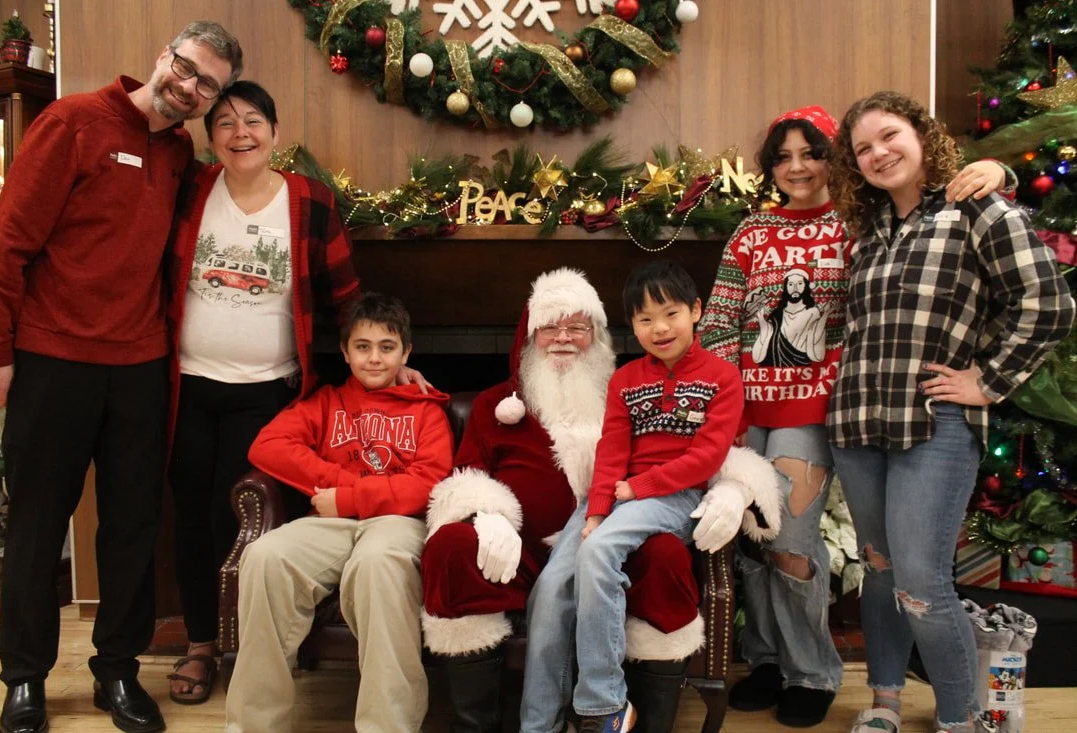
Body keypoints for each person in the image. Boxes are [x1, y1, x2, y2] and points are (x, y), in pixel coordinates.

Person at [697, 105, 1015, 728]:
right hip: (741, 412)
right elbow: (717, 320)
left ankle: (811, 669)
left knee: (789, 541)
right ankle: (764, 659)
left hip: (815, 412)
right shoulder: (750, 232)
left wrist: (995, 170)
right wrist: (722, 408)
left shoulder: (859, 224)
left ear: (833, 159)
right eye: (783, 157)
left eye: (810, 153)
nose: (796, 168)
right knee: (748, 544)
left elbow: (916, 244)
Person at [0, 21, 241, 733]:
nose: (188, 85)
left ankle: (116, 672)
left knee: (131, 526)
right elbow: (5, 246)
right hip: (52, 363)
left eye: (206, 83)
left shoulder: (180, 151)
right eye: (185, 67)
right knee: (36, 524)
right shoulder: (72, 122)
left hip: (140, 370)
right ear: (164, 56)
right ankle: (25, 680)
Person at [420, 267, 778, 733]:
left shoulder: (692, 378)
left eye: (577, 326)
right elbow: (612, 450)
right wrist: (488, 510)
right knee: (550, 589)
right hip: (582, 519)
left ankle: (603, 703)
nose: (563, 338)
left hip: (648, 505)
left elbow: (714, 451)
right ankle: (539, 724)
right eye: (550, 326)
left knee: (607, 551)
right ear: (528, 335)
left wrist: (734, 486)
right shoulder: (608, 384)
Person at [826, 90, 1074, 733]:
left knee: (920, 580)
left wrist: (988, 382)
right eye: (863, 148)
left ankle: (962, 718)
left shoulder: (976, 209)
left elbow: (1048, 304)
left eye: (889, 136)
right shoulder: (867, 230)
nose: (878, 153)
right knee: (878, 571)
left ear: (920, 135)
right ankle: (883, 702)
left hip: (932, 426)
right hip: (856, 426)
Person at [164, 79, 362, 705]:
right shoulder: (191, 190)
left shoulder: (310, 203)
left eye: (253, 120)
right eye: (224, 122)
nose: (240, 133)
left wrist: (384, 363)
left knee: (247, 523)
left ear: (275, 133)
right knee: (191, 519)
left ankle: (250, 650)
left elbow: (347, 300)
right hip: (186, 387)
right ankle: (200, 646)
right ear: (210, 138)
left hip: (268, 395)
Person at [225, 293, 454, 733]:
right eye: (363, 347)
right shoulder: (325, 402)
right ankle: (253, 725)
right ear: (345, 352)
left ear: (406, 352)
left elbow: (428, 486)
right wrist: (339, 483)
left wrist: (349, 497)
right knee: (265, 557)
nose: (374, 358)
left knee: (378, 564)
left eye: (387, 348)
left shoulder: (426, 411)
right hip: (328, 523)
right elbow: (267, 446)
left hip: (395, 523)